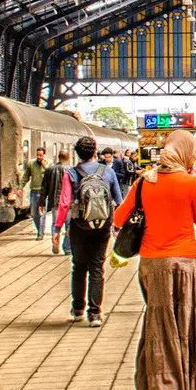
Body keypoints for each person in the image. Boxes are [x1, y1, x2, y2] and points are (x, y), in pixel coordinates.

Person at [112, 129, 196, 390]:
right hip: (185, 262)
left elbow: (119, 218)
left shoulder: (144, 182)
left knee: (158, 322)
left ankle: (158, 389)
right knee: (184, 323)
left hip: (152, 263)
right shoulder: (192, 182)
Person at [65, 136, 121, 324]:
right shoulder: (108, 172)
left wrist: (58, 228)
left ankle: (78, 309)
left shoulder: (71, 173)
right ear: (95, 151)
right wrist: (117, 227)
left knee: (79, 266)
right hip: (102, 226)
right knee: (97, 267)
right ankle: (95, 313)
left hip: (79, 226)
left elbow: (65, 203)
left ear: (77, 152)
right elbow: (118, 201)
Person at [22, 146, 52, 239]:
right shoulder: (31, 163)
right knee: (34, 214)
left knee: (42, 214)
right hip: (34, 191)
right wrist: (20, 187)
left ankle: (40, 233)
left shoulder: (49, 163)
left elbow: (51, 174)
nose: (39, 157)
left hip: (44, 192)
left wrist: (44, 165)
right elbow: (26, 176)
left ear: (44, 155)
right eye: (37, 155)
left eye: (41, 155)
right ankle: (39, 229)